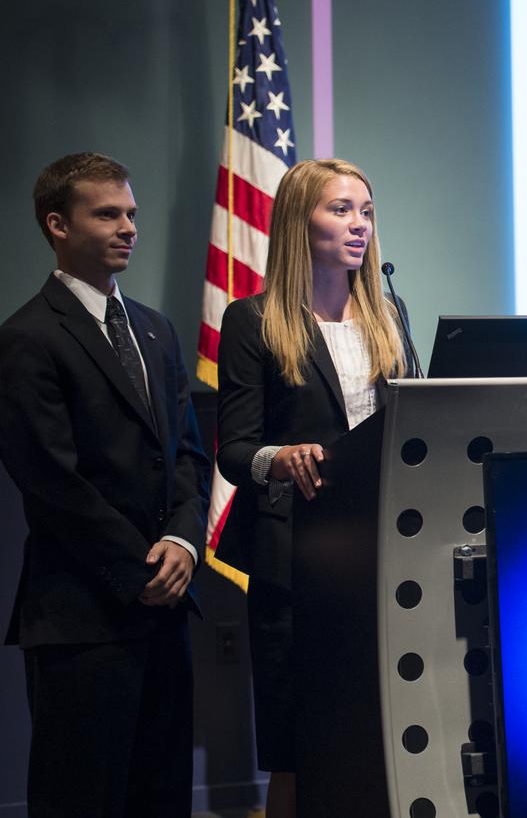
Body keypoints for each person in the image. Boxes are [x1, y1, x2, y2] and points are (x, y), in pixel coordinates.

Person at [0, 152, 211, 817]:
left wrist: (183, 541)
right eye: (108, 214)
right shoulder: (26, 337)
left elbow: (187, 453)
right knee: (82, 800)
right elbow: (50, 480)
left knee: (163, 796)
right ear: (58, 225)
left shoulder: (156, 329)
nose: (128, 228)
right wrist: (139, 568)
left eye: (132, 214)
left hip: (166, 608)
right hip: (83, 616)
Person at [215, 158, 410, 817]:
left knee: (378, 736)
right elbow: (235, 452)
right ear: (301, 221)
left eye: (367, 211)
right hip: (296, 557)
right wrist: (281, 456)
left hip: (380, 552)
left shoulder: (390, 314)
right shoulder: (253, 320)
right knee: (299, 746)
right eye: (341, 209)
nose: (359, 225)